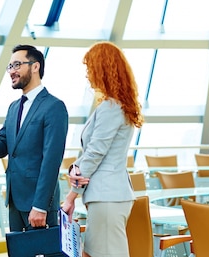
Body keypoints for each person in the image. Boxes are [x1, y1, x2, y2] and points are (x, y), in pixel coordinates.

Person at [0, 44, 68, 231]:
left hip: (39, 205)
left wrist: (40, 206)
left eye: (17, 65)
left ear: (35, 67)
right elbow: (3, 147)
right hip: (15, 201)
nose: (12, 71)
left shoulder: (54, 107)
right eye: (10, 67)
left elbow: (51, 161)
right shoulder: (13, 108)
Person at [61, 41, 144, 257]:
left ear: (103, 69)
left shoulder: (111, 108)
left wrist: (71, 197)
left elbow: (96, 153)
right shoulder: (117, 106)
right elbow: (95, 152)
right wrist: (75, 168)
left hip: (107, 196)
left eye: (90, 68)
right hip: (109, 195)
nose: (88, 75)